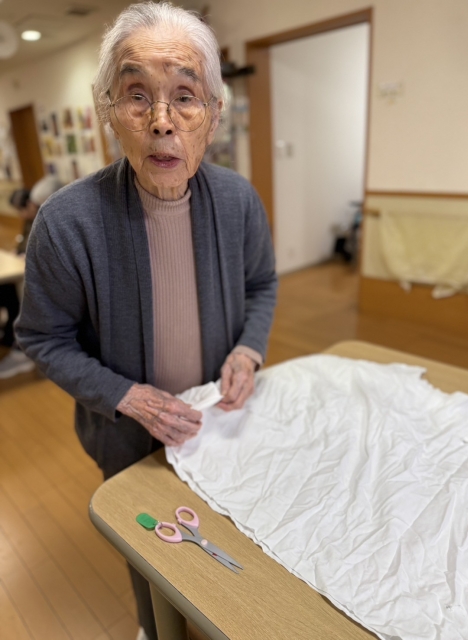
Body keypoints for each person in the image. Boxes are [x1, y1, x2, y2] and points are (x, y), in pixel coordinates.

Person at [15, 3, 277, 639]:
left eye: (185, 96)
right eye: (137, 95)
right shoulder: (66, 222)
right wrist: (128, 397)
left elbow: (262, 285)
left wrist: (248, 350)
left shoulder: (238, 201)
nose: (162, 121)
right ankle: (153, 628)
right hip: (126, 434)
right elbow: (42, 337)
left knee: (222, 530)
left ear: (213, 113)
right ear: (108, 111)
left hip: (217, 420)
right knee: (150, 551)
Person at [0, 176, 63, 378]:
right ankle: (16, 341)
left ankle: (22, 350)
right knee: (15, 292)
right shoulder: (39, 218)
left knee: (26, 296)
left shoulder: (63, 218)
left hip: (58, 285)